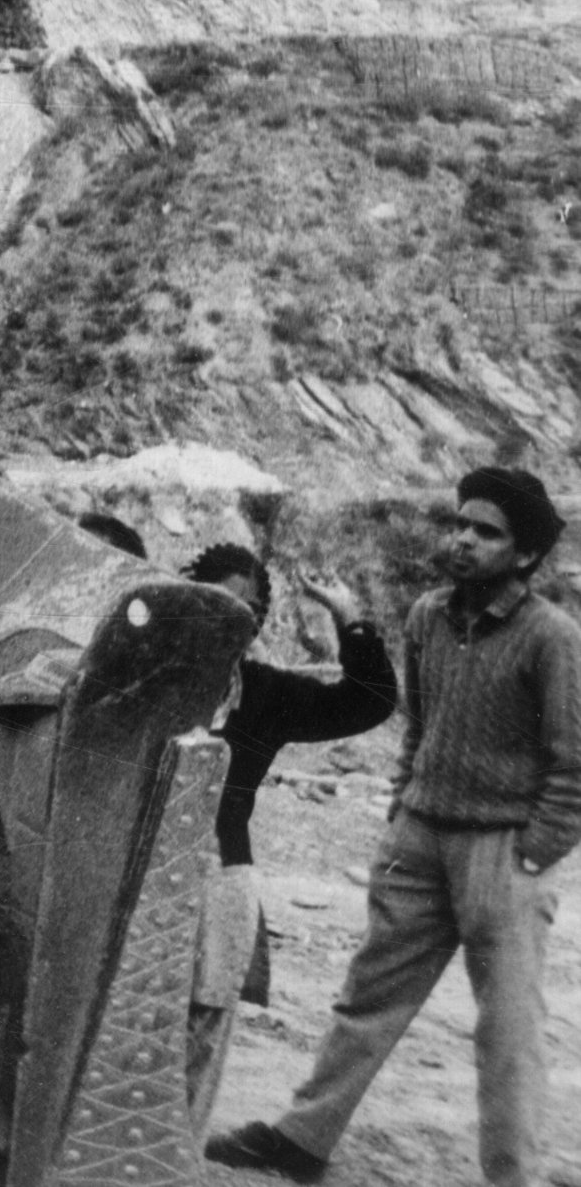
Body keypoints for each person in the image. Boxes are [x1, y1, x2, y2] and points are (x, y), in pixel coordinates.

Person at [208, 469, 581, 1187]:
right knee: (367, 1000)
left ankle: (514, 1174)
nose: (464, 540)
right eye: (460, 525)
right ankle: (303, 1139)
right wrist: (402, 805)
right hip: (420, 837)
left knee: (507, 1028)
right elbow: (421, 725)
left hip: (503, 851)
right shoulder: (427, 618)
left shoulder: (552, 638)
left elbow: (573, 761)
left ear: (526, 556)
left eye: (487, 532)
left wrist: (537, 852)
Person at [185, 543, 397, 1124]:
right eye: (217, 604)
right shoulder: (141, 672)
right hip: (127, 871)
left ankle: (175, 1154)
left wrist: (348, 616)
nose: (232, 621)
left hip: (220, 876)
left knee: (203, 1023)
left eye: (248, 613)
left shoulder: (266, 695)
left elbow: (370, 701)